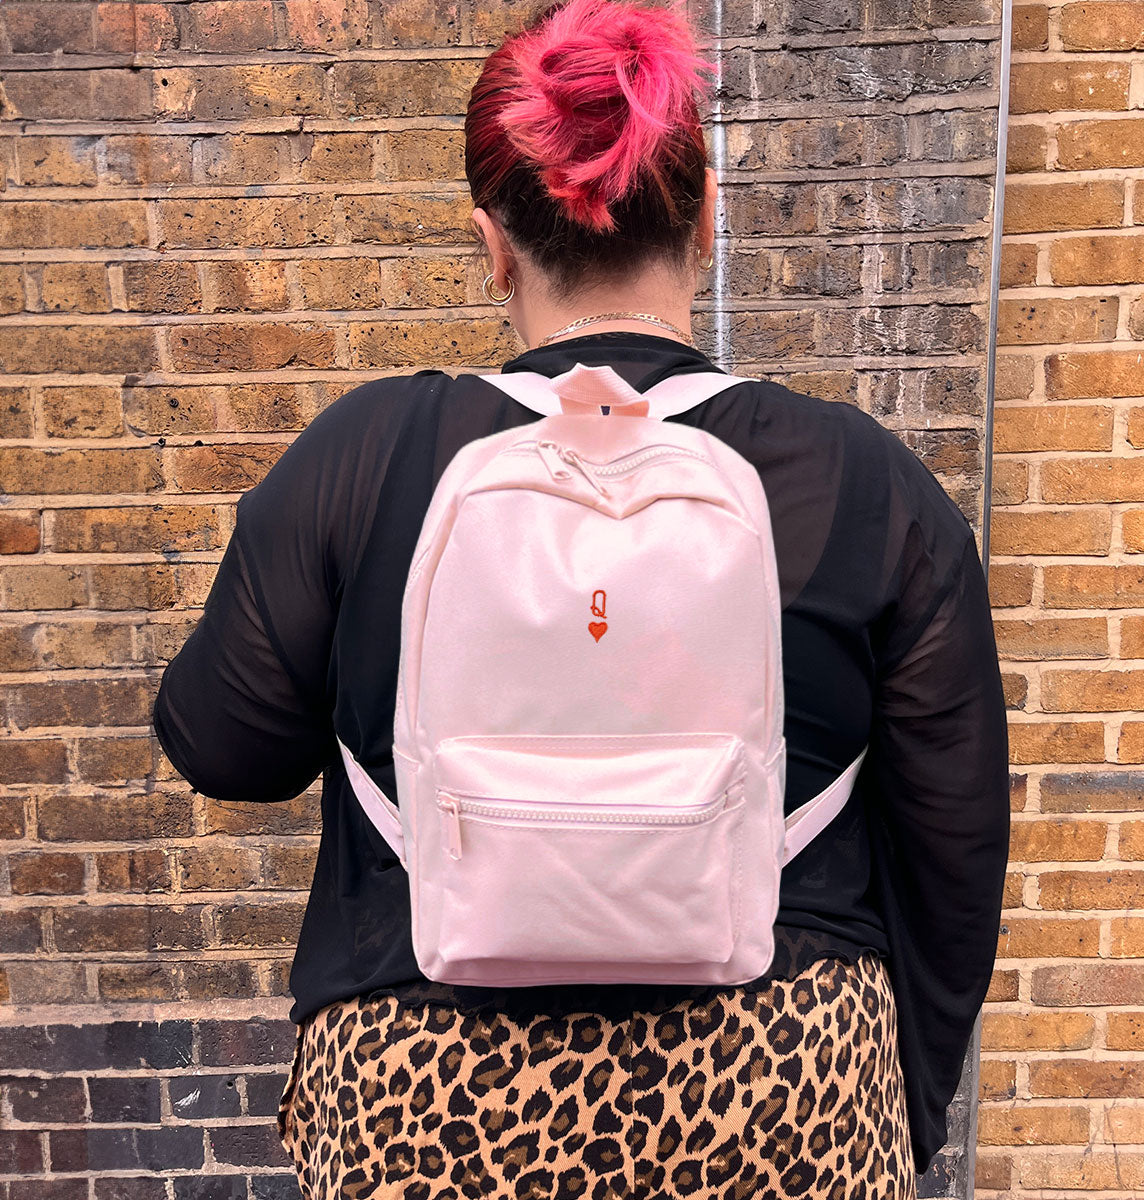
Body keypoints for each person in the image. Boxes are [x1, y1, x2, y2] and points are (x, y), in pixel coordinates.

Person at [152, 0, 1011, 1195]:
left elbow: (225, 745)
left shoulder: (365, 457)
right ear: (706, 220)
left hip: (428, 1086)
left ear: (493, 246)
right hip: (778, 1082)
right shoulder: (864, 482)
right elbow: (954, 847)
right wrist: (889, 1113)